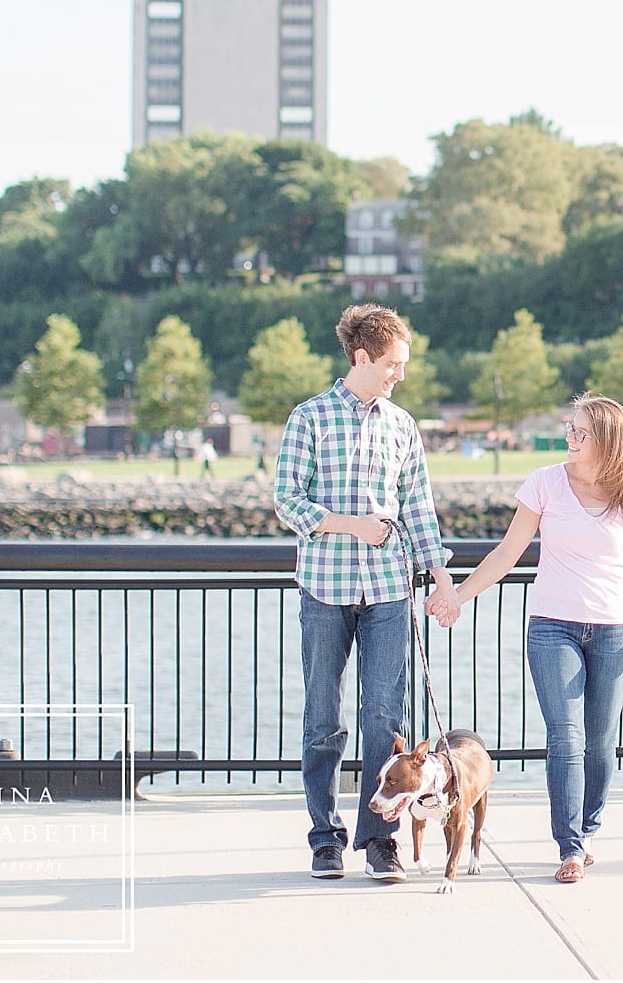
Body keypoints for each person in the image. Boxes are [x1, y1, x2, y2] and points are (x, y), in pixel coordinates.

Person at [437, 392, 623, 885]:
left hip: (615, 630)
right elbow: (506, 553)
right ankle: (570, 846)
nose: (570, 438)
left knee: (601, 743)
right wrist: (458, 595)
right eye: (570, 428)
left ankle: (588, 827)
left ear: (605, 441)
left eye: (581, 432)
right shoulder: (545, 483)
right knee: (566, 735)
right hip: (552, 627)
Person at [274, 304, 457, 884]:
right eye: (392, 364)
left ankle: (381, 841)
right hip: (324, 590)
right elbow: (287, 501)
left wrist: (442, 575)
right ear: (362, 357)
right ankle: (325, 840)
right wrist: (352, 524)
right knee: (322, 720)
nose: (399, 374)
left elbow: (419, 508)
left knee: (385, 718)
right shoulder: (309, 418)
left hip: (387, 592)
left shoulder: (403, 426)